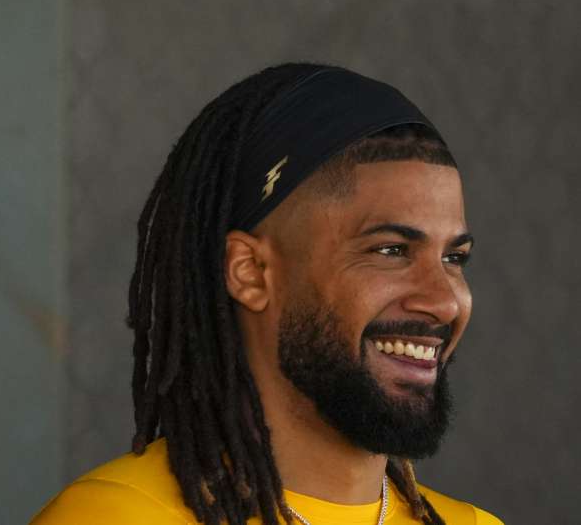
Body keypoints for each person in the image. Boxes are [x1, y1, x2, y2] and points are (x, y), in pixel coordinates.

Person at [32, 64, 502, 525]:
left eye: (454, 258)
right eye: (391, 250)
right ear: (251, 271)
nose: (443, 301)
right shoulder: (114, 518)